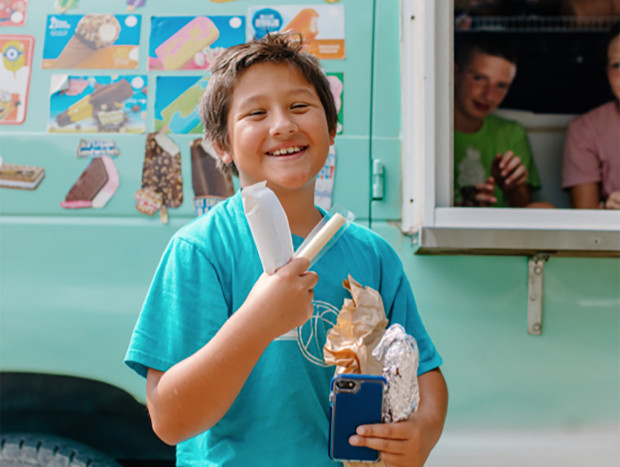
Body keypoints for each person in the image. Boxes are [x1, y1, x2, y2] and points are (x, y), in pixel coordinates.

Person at [125, 34, 447, 467]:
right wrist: (259, 321)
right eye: (256, 113)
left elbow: (426, 373)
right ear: (221, 145)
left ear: (331, 129)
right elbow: (170, 419)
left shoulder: (373, 255)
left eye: (299, 107)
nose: (283, 125)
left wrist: (422, 432)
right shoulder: (200, 250)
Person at [453, 33, 542, 207]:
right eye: (479, 78)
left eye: (500, 86)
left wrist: (511, 186)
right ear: (455, 73)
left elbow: (525, 208)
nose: (488, 95)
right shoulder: (428, 130)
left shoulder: (511, 133)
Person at [562, 21, 620, 209]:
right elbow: (585, 219)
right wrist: (606, 209)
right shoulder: (585, 130)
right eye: (617, 65)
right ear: (607, 73)